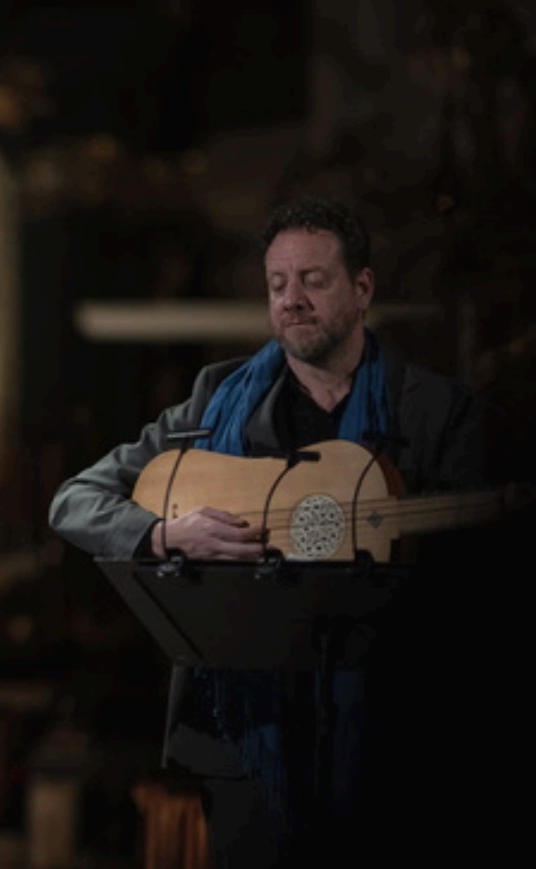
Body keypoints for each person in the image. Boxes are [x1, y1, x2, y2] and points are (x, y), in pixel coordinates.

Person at [49, 195, 510, 867]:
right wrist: (163, 535)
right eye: (276, 284)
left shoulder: (440, 412)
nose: (291, 299)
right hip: (244, 744)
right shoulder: (213, 401)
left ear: (362, 288)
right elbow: (74, 500)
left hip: (396, 741)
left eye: (313, 280)